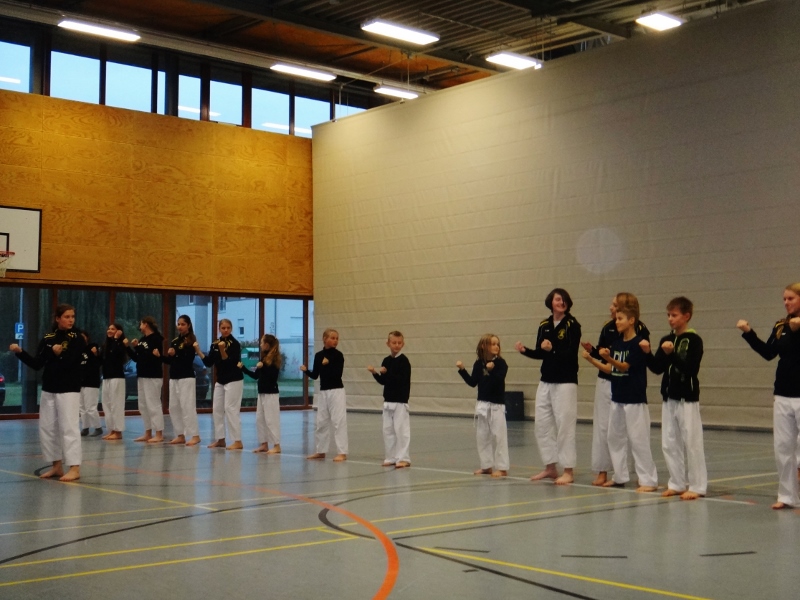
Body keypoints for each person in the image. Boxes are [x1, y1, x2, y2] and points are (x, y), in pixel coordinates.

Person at [582, 303, 658, 492]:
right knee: (614, 438)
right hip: (617, 397)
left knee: (638, 440)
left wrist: (608, 358)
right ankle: (620, 475)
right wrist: (591, 359)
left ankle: (648, 480)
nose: (616, 322)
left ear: (631, 320)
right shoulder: (616, 344)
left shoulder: (638, 344)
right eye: (616, 319)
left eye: (620, 318)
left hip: (634, 399)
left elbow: (623, 367)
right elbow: (610, 369)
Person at [738, 283, 800, 509]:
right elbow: (768, 353)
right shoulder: (780, 326)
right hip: (783, 393)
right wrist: (749, 333)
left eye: (791, 298)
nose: (786, 302)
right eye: (784, 299)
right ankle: (787, 496)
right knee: (783, 447)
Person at [9, 304, 85, 481]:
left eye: (72, 317)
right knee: (48, 428)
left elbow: (71, 362)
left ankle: (74, 467)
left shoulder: (77, 338)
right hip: (49, 387)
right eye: (67, 317)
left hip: (69, 388)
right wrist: (20, 352)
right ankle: (56, 466)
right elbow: (37, 364)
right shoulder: (48, 338)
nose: (71, 320)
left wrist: (57, 354)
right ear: (58, 319)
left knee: (69, 427)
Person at [642, 296, 706, 500]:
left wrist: (672, 354)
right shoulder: (666, 340)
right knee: (669, 442)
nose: (670, 319)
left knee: (692, 442)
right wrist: (647, 353)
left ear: (686, 316)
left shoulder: (694, 340)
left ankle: (697, 485)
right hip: (669, 397)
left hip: (687, 398)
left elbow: (691, 369)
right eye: (668, 315)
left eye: (674, 315)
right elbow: (657, 368)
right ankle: (677, 482)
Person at [515, 288, 581, 485]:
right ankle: (550, 467)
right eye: (557, 299)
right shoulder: (544, 325)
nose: (561, 302)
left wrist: (552, 350)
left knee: (565, 425)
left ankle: (568, 470)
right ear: (551, 303)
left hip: (565, 382)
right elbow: (540, 353)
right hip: (546, 381)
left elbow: (570, 353)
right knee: (542, 424)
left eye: (564, 299)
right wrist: (525, 350)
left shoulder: (572, 325)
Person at [457, 334, 509, 478]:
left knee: (499, 436)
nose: (496, 346)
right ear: (483, 346)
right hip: (482, 404)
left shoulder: (501, 363)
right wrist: (462, 370)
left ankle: (502, 467)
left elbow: (499, 380)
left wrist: (491, 370)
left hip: (497, 404)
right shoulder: (478, 363)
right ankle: (486, 466)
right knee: (482, 436)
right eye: (493, 344)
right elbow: (472, 382)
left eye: (497, 344)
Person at [301, 328, 348, 462]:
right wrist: (306, 371)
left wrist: (328, 364)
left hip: (336, 391)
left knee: (338, 421)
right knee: (321, 422)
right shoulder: (318, 355)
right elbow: (315, 375)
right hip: (323, 392)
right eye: (332, 338)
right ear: (324, 339)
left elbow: (337, 374)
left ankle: (342, 452)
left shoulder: (338, 355)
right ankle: (320, 451)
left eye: (337, 338)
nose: (335, 341)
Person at [368, 331, 412, 468]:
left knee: (401, 431)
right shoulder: (386, 361)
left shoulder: (404, 361)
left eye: (399, 343)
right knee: (388, 430)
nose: (397, 345)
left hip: (400, 401)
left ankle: (404, 458)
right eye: (394, 342)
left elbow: (401, 380)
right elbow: (384, 381)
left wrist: (388, 373)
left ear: (403, 344)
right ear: (388, 344)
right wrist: (375, 373)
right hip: (388, 401)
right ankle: (391, 457)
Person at [199, 319, 244, 450]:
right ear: (219, 329)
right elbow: (209, 363)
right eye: (223, 328)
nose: (226, 330)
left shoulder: (235, 344)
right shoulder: (215, 344)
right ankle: (220, 439)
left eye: (228, 328)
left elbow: (229, 362)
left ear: (231, 329)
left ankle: (237, 440)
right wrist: (199, 351)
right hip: (221, 380)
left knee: (230, 409)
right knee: (217, 409)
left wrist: (223, 350)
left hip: (234, 379)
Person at [161, 315, 201, 446]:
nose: (180, 326)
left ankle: (195, 435)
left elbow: (188, 359)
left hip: (186, 377)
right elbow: (171, 361)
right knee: (174, 407)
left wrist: (176, 353)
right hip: (174, 377)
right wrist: (160, 357)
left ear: (188, 325)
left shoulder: (191, 340)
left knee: (187, 406)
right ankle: (180, 434)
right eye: (178, 324)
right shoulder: (175, 341)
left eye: (183, 324)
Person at [124, 316, 165, 443]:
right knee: (143, 405)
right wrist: (128, 347)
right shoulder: (142, 340)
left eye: (141, 323)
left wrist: (138, 347)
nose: (139, 326)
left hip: (153, 375)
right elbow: (137, 358)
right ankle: (148, 432)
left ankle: (159, 433)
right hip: (142, 375)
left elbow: (152, 356)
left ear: (146, 324)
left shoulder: (156, 338)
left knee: (153, 404)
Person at [241, 334, 282, 455]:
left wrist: (262, 367)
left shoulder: (274, 359)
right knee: (260, 419)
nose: (260, 345)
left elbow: (272, 377)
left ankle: (276, 445)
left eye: (262, 342)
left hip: (271, 393)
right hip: (262, 392)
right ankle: (264, 444)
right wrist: (243, 368)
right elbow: (255, 376)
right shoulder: (263, 359)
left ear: (267, 345)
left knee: (271, 419)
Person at [100, 323, 127, 441]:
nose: (109, 330)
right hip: (106, 377)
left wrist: (116, 339)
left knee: (116, 405)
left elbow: (115, 354)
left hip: (117, 377)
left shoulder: (121, 344)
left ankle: (118, 431)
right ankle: (111, 430)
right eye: (109, 328)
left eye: (113, 329)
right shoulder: (106, 345)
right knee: (107, 405)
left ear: (118, 331)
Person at [79, 330, 103, 437]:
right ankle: (85, 427)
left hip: (91, 382)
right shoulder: (77, 350)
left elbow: (99, 363)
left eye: (83, 336)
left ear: (87, 337)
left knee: (90, 407)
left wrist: (96, 354)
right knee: (82, 407)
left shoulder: (93, 346)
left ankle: (98, 427)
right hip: (80, 382)